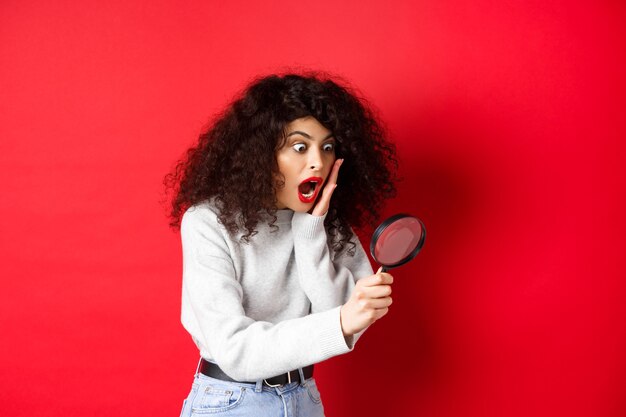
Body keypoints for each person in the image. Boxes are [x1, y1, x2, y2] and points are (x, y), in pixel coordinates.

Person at [164, 72, 398, 417]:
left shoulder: (326, 224)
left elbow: (344, 320)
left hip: (304, 397)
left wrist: (309, 230)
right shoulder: (207, 221)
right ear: (261, 153)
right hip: (231, 402)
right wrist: (341, 322)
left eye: (328, 146)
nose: (318, 161)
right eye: (300, 147)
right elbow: (237, 350)